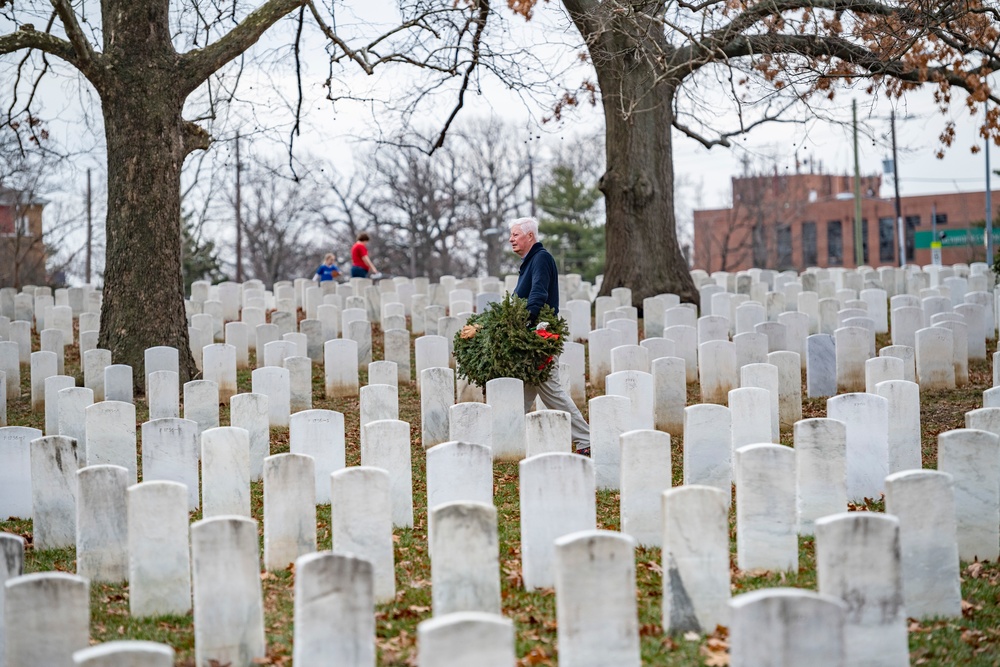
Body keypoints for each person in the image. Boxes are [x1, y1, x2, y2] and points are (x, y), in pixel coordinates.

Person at [509, 216, 591, 456]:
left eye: (515, 234)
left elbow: (538, 294)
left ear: (530, 236)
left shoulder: (541, 259)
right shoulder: (530, 262)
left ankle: (585, 438)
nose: (511, 239)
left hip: (539, 336)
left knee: (550, 390)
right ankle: (508, 437)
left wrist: (523, 321)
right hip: (530, 336)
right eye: (511, 235)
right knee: (523, 391)